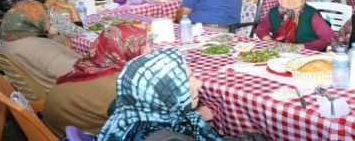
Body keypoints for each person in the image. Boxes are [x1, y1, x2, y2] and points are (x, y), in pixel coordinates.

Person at [96, 48, 267, 141]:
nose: (198, 83)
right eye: (188, 79)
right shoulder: (163, 137)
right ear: (163, 91)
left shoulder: (128, 116)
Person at [42, 24, 150, 137]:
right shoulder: (120, 86)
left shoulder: (85, 68)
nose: (149, 50)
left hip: (56, 132)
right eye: (143, 46)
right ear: (129, 51)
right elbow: (146, 121)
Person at [255, 0, 334, 52]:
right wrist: (270, 41)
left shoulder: (311, 14)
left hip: (308, 53)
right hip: (280, 52)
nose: (290, 0)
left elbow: (329, 38)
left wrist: (302, 46)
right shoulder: (273, 12)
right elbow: (261, 30)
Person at [0, 0, 85, 42]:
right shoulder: (46, 13)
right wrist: (72, 8)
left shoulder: (21, 6)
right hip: (26, 56)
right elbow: (77, 32)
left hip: (6, 51)